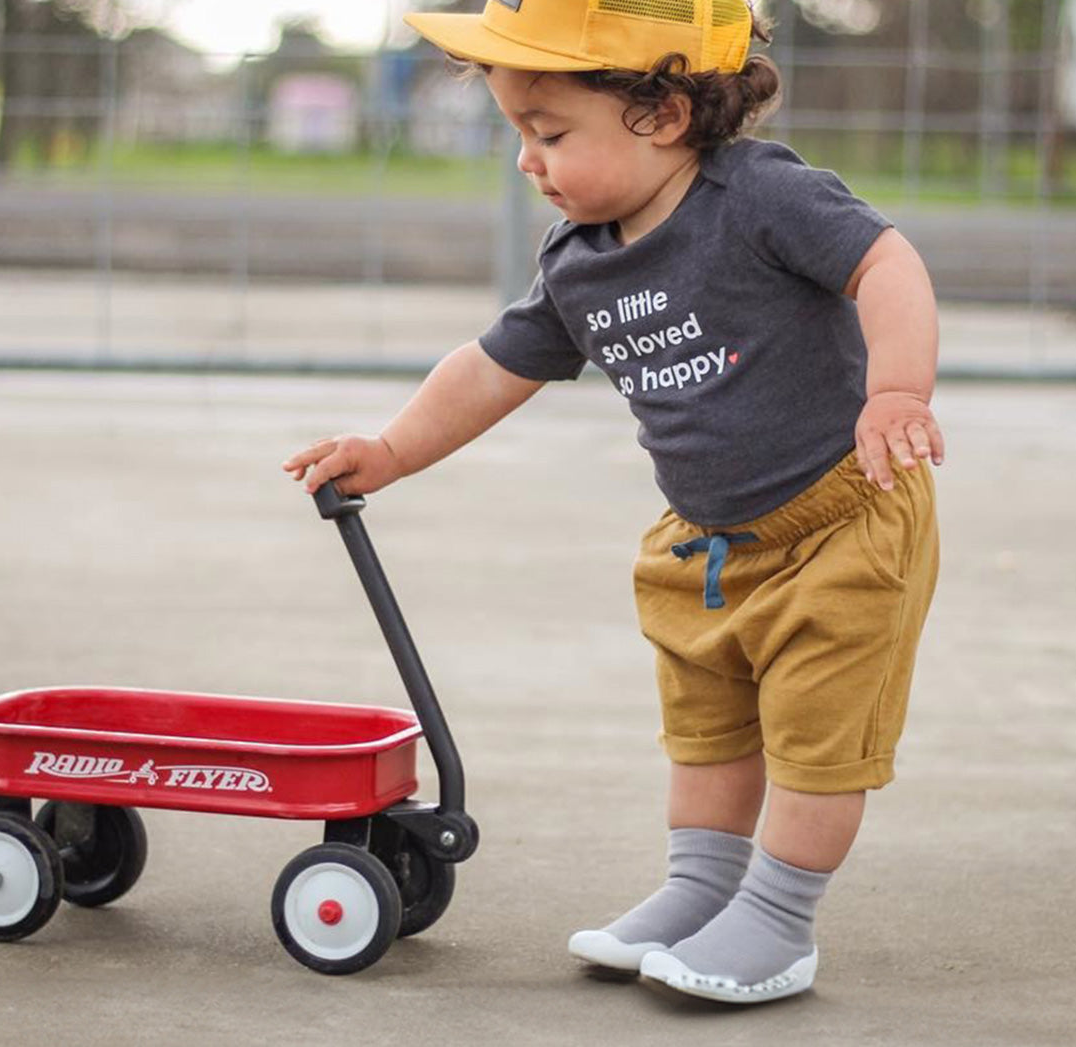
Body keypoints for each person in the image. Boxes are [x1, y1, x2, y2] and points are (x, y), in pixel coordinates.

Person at [283, 0, 941, 1005]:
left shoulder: (757, 196)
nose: (526, 163)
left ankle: (775, 921)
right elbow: (492, 367)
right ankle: (699, 889)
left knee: (815, 737)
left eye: (547, 135)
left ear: (661, 114)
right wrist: (392, 449)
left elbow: (881, 263)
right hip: (705, 544)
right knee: (706, 730)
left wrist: (894, 389)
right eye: (518, 137)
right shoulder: (579, 261)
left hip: (838, 523)